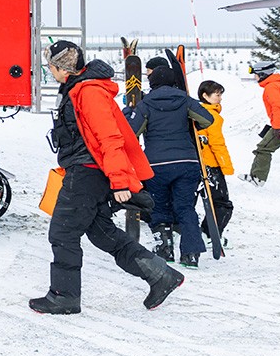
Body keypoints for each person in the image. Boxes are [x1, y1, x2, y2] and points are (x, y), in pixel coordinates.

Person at [31, 40, 183, 315]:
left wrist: (120, 181)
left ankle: (63, 296)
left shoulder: (88, 92)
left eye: (50, 66)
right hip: (89, 170)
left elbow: (109, 138)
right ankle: (160, 275)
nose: (50, 71)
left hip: (87, 172)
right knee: (102, 234)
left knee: (63, 232)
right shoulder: (80, 88)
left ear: (61, 68)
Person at [123, 66, 213, 267]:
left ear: (152, 83)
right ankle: (191, 254)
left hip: (157, 165)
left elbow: (132, 133)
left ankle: (165, 249)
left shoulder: (146, 104)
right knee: (185, 207)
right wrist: (192, 123)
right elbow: (208, 119)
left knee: (160, 206)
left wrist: (129, 112)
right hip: (187, 163)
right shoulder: (184, 99)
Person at [239, 59, 280, 186]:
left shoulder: (271, 87)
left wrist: (278, 127)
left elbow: (278, 107)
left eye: (256, 74)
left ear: (263, 74)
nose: (255, 77)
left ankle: (257, 178)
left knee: (263, 149)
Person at [196, 80, 233, 240]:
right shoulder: (212, 116)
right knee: (222, 204)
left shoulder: (195, 112)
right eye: (217, 94)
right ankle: (209, 234)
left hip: (195, 163)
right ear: (205, 95)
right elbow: (217, 144)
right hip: (210, 165)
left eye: (220, 94)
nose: (220, 98)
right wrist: (226, 167)